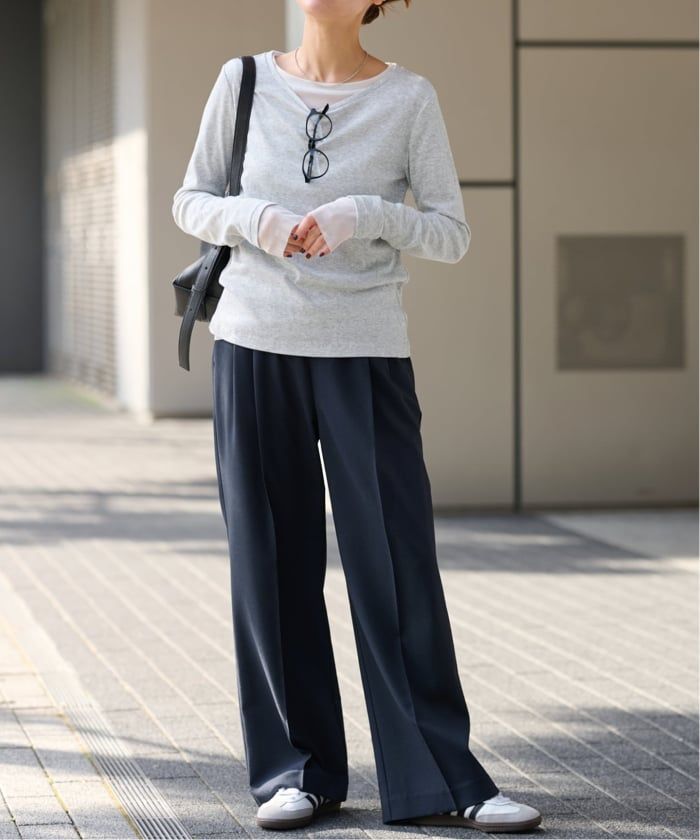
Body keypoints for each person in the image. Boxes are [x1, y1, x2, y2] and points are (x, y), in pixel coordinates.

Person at [171, 0, 542, 832]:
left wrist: (362, 216)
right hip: (253, 345)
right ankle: (296, 772)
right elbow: (190, 201)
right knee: (271, 564)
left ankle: (443, 777)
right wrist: (258, 219)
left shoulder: (408, 98)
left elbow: (451, 233)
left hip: (365, 351)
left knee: (397, 567)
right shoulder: (242, 82)